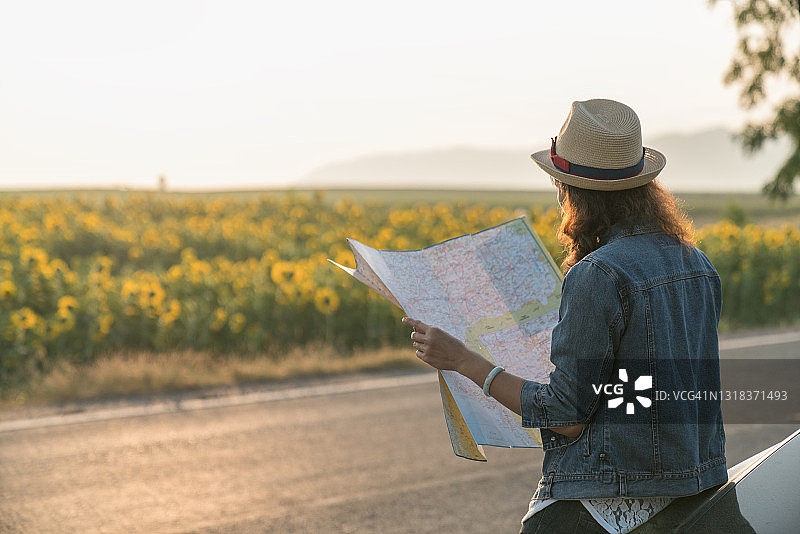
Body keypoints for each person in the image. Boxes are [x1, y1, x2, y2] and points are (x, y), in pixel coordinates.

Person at [402, 99, 728, 533]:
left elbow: (568, 418)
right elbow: (654, 387)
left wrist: (464, 360)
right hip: (698, 485)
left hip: (609, 495)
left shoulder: (599, 274)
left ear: (573, 193)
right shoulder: (699, 265)